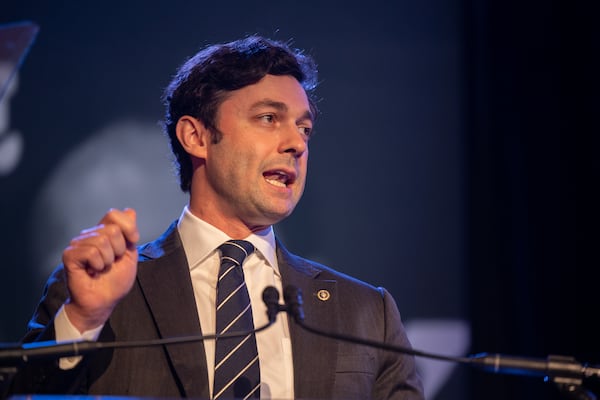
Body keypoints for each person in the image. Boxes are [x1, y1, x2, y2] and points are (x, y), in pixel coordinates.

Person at [6, 36, 424, 399]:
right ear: (197, 136)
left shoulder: (367, 313)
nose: (296, 142)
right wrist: (83, 319)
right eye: (268, 118)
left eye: (305, 128)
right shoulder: (104, 289)